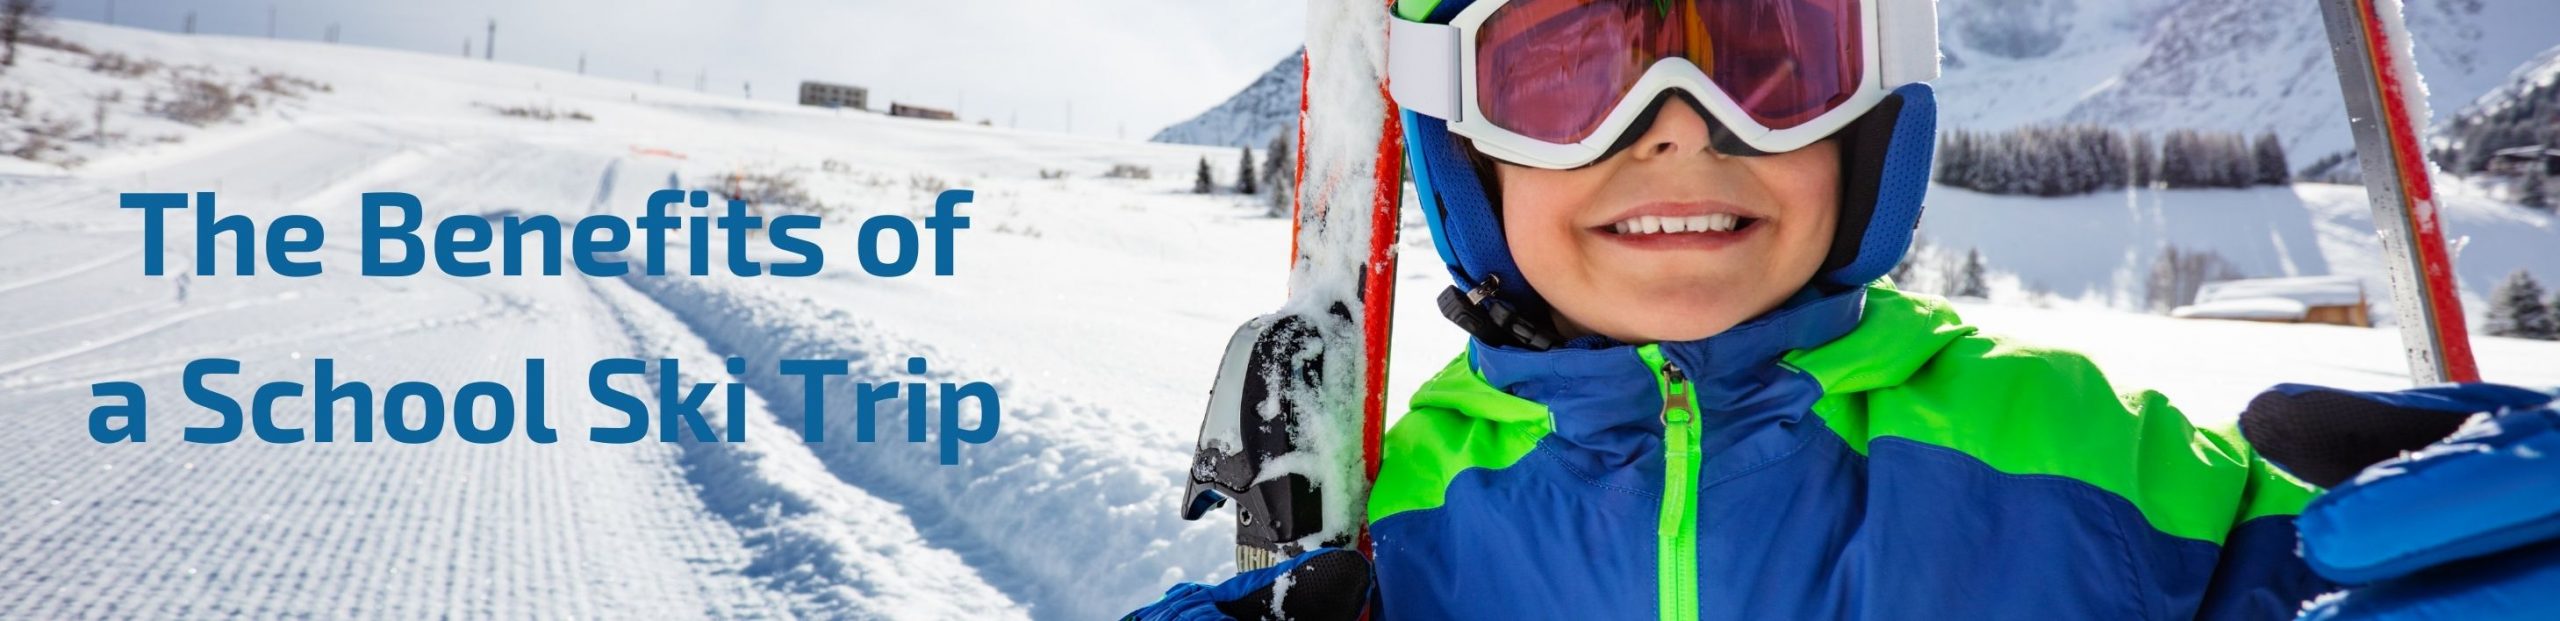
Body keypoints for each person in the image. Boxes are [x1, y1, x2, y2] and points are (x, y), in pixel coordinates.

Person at [1132, 0, 2560, 618]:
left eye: (1771, 63)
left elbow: (2319, 580)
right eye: (1567, 78)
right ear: (1469, 157)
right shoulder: (1408, 518)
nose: (1677, 125)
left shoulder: (2085, 461)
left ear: (1869, 128)